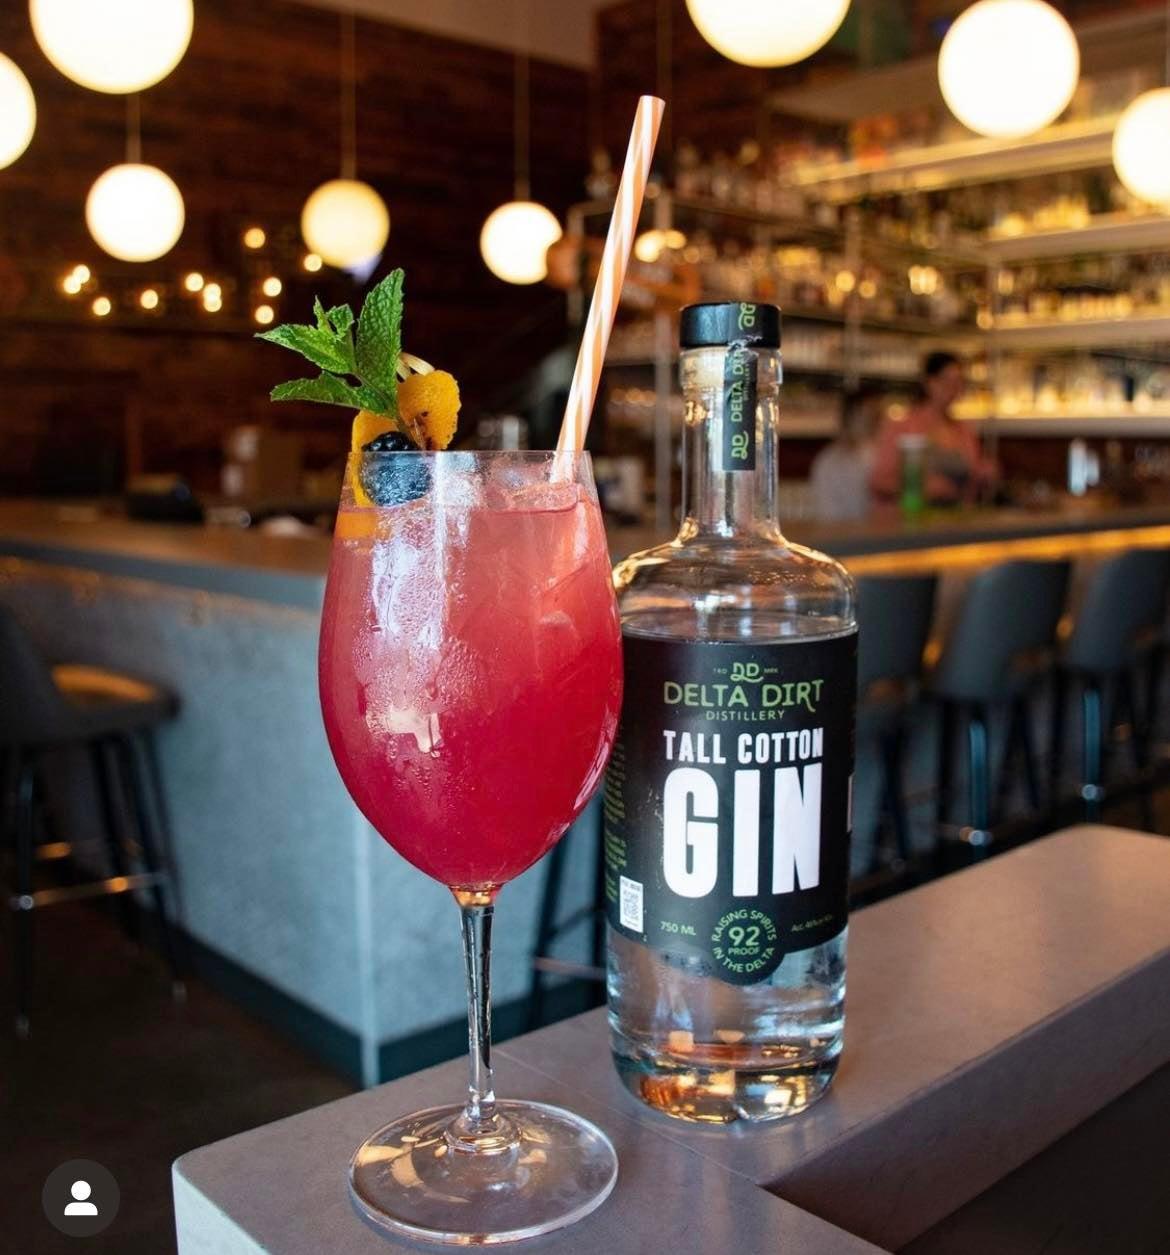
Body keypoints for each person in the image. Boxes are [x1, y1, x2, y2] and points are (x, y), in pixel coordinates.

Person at [869, 351, 997, 506]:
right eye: (947, 381)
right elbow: (879, 481)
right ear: (929, 382)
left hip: (957, 520)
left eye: (959, 382)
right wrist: (923, 487)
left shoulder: (964, 430)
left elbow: (972, 479)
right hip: (911, 522)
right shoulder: (903, 427)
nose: (954, 389)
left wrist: (983, 474)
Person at [810, 387, 882, 520]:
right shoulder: (830, 460)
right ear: (849, 417)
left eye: (877, 416)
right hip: (845, 535)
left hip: (876, 534)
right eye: (871, 415)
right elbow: (827, 513)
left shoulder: (877, 452)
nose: (876, 422)